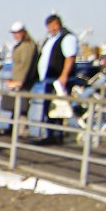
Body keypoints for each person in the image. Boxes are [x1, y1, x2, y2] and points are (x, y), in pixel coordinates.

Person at [35, 14, 77, 144]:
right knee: (49, 107)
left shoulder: (67, 37)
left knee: (58, 108)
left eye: (53, 26)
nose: (51, 29)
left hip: (58, 80)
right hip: (49, 79)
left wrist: (64, 76)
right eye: (49, 26)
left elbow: (70, 57)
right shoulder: (51, 38)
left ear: (59, 24)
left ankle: (56, 136)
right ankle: (50, 134)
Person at [3, 21, 39, 136]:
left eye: (17, 33)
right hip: (17, 80)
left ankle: (22, 130)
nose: (15, 35)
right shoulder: (21, 45)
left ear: (23, 32)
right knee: (16, 105)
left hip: (22, 82)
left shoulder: (28, 46)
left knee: (22, 106)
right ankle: (13, 128)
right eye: (13, 33)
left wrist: (19, 81)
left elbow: (25, 65)